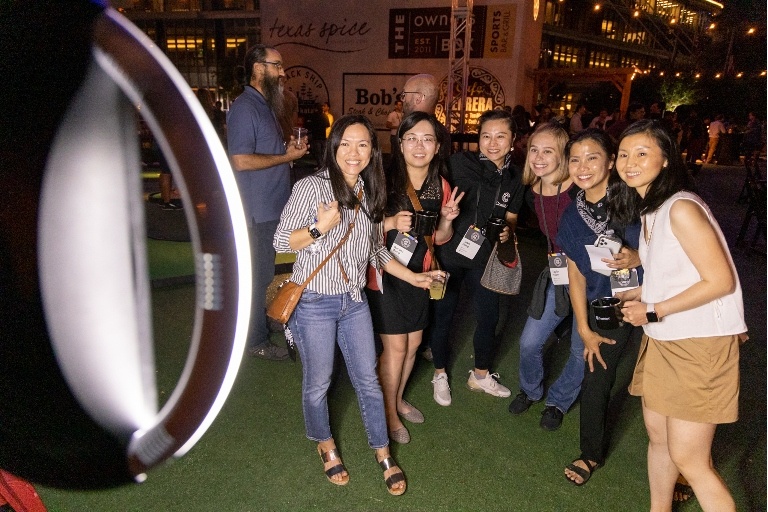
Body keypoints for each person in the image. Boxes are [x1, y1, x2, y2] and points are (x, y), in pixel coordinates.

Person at [274, 114, 439, 496]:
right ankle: (325, 443)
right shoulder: (310, 188)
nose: (354, 152)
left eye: (363, 144)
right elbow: (281, 241)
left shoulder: (369, 191)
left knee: (368, 380)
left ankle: (383, 453)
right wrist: (319, 228)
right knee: (319, 382)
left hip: (354, 301)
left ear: (373, 151)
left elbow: (375, 251)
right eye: (346, 144)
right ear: (333, 148)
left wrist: (414, 277)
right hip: (314, 300)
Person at [613, 119, 746, 511]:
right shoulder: (652, 208)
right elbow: (678, 271)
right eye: (623, 154)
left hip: (698, 344)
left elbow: (720, 280)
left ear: (667, 159)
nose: (629, 162)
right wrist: (644, 292)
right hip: (665, 340)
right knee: (659, 439)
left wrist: (652, 309)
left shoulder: (681, 208)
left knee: (691, 459)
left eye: (642, 153)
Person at [366, 112, 463, 444]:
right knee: (394, 348)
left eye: (427, 139)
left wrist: (447, 220)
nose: (419, 145)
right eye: (412, 138)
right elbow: (360, 232)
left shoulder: (442, 185)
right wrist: (391, 224)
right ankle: (389, 414)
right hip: (386, 273)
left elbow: (439, 239)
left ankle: (396, 398)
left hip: (421, 274)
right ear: (400, 142)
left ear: (437, 147)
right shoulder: (380, 179)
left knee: (414, 345)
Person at [555, 128, 642, 486]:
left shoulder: (637, 199)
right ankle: (590, 453)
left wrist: (639, 256)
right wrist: (583, 326)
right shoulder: (572, 215)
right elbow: (575, 273)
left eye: (592, 157)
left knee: (665, 381)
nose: (583, 166)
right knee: (597, 377)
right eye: (575, 159)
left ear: (610, 161)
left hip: (657, 300)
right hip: (607, 307)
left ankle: (688, 462)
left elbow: (676, 246)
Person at [426, 109, 525, 405]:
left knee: (488, 318)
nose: (492, 143)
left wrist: (508, 231)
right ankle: (440, 373)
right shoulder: (458, 164)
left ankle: (480, 375)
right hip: (449, 253)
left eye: (500, 136)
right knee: (442, 315)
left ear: (513, 140)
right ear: (477, 138)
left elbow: (512, 218)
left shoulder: (516, 176)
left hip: (486, 260)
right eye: (485, 136)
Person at [227, 44, 309, 360]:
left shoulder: (264, 106)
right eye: (277, 65)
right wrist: (285, 156)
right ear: (259, 68)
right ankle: (254, 341)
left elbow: (264, 155)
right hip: (256, 212)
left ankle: (259, 325)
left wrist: (286, 151)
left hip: (269, 209)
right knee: (258, 277)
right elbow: (241, 160)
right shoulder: (246, 107)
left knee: (263, 274)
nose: (283, 72)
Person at [509, 122, 584, 432]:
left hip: (593, 277)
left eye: (548, 151)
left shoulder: (580, 188)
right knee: (529, 343)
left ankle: (559, 401)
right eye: (534, 150)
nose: (538, 157)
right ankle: (531, 390)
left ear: (564, 154)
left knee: (582, 350)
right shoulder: (531, 193)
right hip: (558, 273)